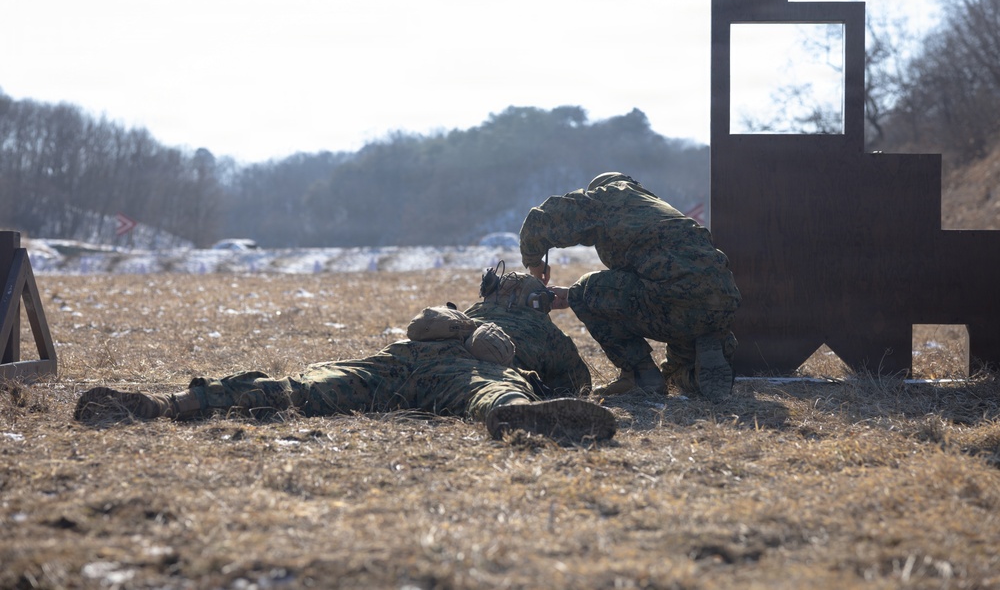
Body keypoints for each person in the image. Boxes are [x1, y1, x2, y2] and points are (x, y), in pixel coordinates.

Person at [74, 295, 615, 444]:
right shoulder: (529, 328)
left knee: (303, 389)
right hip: (445, 369)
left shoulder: (474, 316)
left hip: (405, 365)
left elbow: (418, 325)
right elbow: (577, 386)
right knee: (491, 392)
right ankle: (514, 417)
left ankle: (175, 406)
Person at [519, 172, 741, 401]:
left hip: (674, 302)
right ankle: (705, 347)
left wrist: (535, 263)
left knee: (586, 289)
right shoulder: (658, 208)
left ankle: (638, 374)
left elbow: (542, 220)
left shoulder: (610, 197)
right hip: (719, 306)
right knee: (676, 377)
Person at [464, 263, 592, 396]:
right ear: (538, 301)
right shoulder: (547, 332)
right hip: (500, 391)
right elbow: (580, 385)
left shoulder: (469, 314)